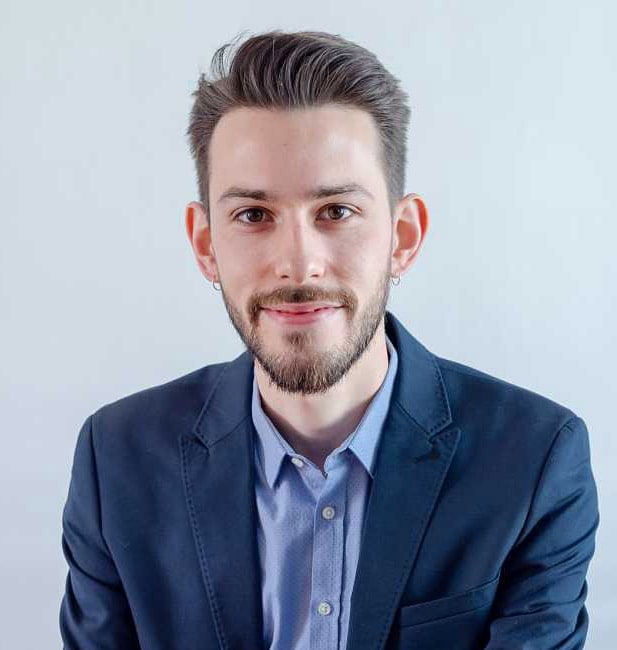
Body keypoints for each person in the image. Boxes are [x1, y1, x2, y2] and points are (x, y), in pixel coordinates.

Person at [59, 30, 599, 650]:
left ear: (403, 236)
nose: (299, 263)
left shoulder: (535, 462)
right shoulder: (116, 461)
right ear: (206, 244)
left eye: (336, 211)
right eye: (253, 215)